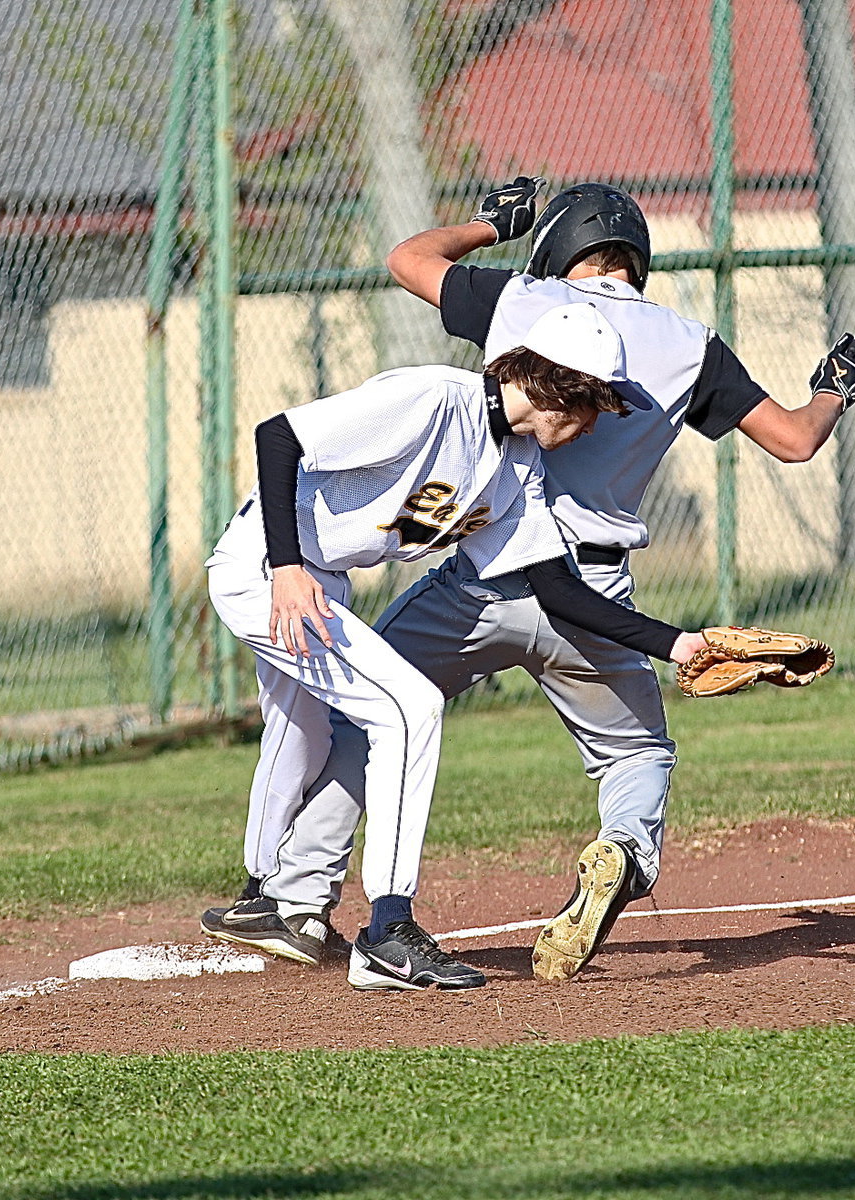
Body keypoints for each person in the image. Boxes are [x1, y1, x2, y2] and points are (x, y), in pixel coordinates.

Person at [208, 178, 855, 984]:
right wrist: (830, 391)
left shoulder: (518, 302)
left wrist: (488, 226)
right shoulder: (687, 342)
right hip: (590, 592)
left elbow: (405, 259)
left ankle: (297, 897)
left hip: (485, 579)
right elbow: (792, 440)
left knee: (366, 722)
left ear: (559, 249)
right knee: (635, 753)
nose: (597, 417)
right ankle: (622, 849)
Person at [202, 300, 715, 991]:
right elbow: (279, 436)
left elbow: (556, 590)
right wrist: (287, 571)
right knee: (408, 708)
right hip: (268, 566)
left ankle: (262, 902)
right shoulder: (434, 400)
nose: (595, 421)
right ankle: (387, 932)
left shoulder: (517, 466)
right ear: (555, 385)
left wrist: (678, 643)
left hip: (319, 577)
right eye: (594, 403)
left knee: (304, 733)